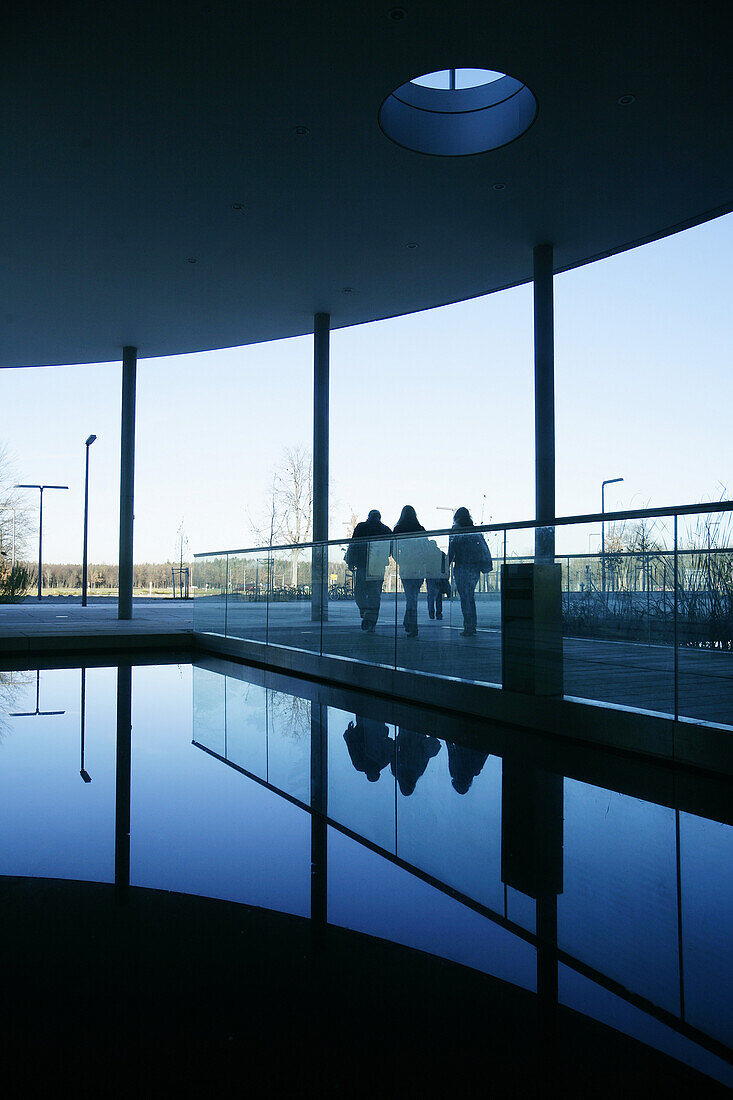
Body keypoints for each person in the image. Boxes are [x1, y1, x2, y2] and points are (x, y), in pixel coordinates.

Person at [344, 509, 392, 631]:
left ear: (368, 516)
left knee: (359, 590)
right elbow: (390, 549)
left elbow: (353, 544)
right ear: (380, 518)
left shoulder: (361, 527)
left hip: (362, 564)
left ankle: (364, 610)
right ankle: (371, 620)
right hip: (378, 566)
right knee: (375, 594)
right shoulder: (385, 530)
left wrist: (350, 561)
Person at [447, 506, 492, 637]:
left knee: (465, 598)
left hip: (461, 567)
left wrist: (444, 567)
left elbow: (451, 551)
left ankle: (468, 625)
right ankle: (472, 625)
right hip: (474, 568)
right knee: (469, 597)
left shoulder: (455, 531)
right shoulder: (475, 531)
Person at [393, 505, 428, 637]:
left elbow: (394, 550)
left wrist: (400, 561)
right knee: (413, 596)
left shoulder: (398, 529)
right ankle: (411, 624)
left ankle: (411, 624)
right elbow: (426, 548)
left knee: (410, 596)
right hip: (419, 567)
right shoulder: (420, 529)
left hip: (406, 566)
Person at [425, 539, 448, 620]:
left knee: (431, 596)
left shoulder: (427, 555)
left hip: (430, 577)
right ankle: (439, 613)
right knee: (439, 596)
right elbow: (445, 566)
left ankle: (431, 613)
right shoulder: (441, 554)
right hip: (439, 577)